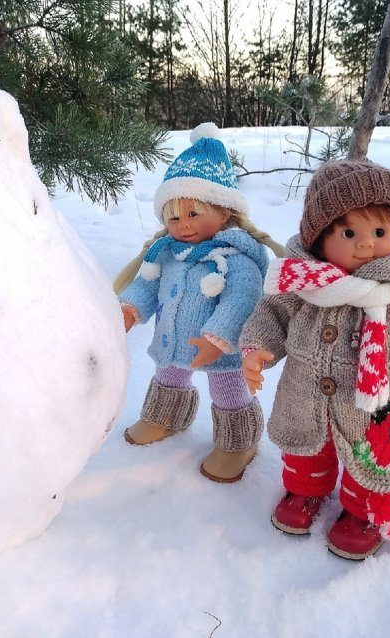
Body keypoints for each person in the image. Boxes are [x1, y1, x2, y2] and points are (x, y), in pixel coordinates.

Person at [239, 159, 390, 559]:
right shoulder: (303, 286)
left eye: (379, 232)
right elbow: (270, 315)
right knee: (306, 449)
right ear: (318, 241)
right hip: (304, 399)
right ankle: (305, 491)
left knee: (373, 462)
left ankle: (366, 512)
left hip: (376, 413)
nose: (365, 244)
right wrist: (257, 349)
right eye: (348, 232)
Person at [114, 122, 284, 483]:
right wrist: (130, 308)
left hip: (220, 348)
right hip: (172, 340)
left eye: (194, 213)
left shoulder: (235, 258)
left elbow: (243, 301)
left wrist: (216, 337)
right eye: (173, 216)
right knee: (168, 375)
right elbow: (147, 284)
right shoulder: (168, 253)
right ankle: (165, 416)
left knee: (228, 390)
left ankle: (238, 442)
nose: (183, 225)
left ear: (223, 211)